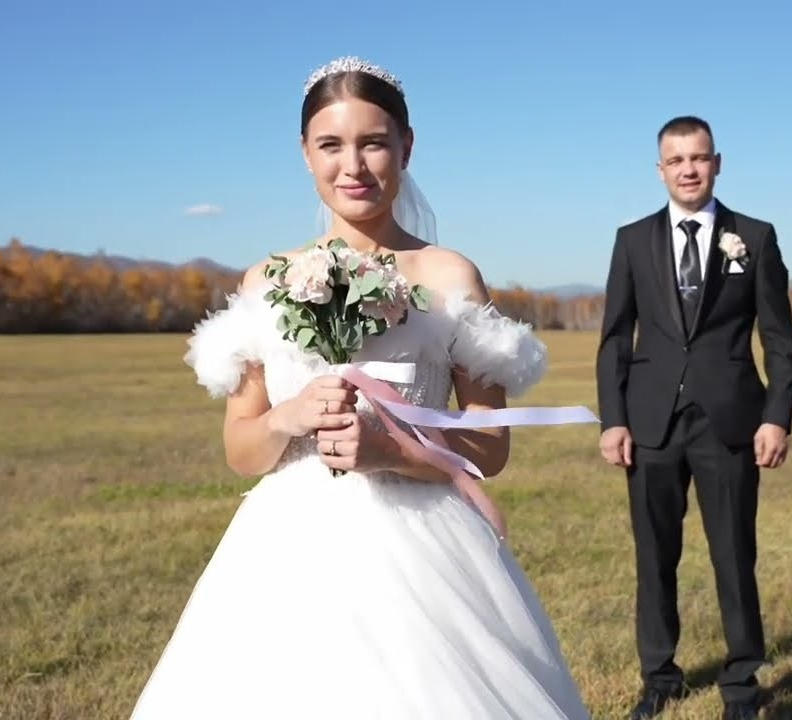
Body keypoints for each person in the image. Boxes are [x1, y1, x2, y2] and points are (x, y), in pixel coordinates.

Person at [130, 56, 590, 720]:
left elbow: (489, 447)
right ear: (304, 153)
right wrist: (288, 417)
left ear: (406, 146)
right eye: (331, 145)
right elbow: (240, 450)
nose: (354, 165)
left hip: (424, 544)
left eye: (374, 142)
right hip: (287, 550)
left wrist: (392, 452)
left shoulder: (448, 274)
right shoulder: (266, 280)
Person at [595, 115, 792, 720]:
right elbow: (614, 338)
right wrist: (613, 420)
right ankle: (659, 678)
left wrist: (777, 416)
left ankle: (742, 684)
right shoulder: (632, 239)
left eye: (699, 158)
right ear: (660, 169)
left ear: (717, 163)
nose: (689, 169)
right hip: (650, 422)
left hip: (731, 420)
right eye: (676, 160)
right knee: (654, 557)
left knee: (735, 555)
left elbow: (779, 339)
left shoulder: (754, 238)